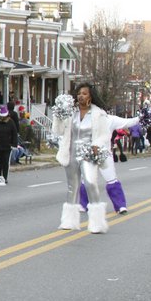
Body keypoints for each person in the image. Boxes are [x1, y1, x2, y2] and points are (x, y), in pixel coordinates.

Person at [51, 83, 110, 234]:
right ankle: (69, 221)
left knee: (90, 183)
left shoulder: (98, 114)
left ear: (90, 96)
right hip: (71, 153)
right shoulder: (71, 113)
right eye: (79, 93)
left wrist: (96, 144)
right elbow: (58, 131)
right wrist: (58, 117)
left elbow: (105, 134)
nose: (80, 96)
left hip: (88, 153)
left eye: (84, 93)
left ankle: (97, 223)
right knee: (72, 186)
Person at [0, 106, 18, 183]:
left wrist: (14, 144)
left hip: (7, 146)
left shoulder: (11, 122)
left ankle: (5, 177)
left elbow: (14, 133)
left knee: (5, 162)